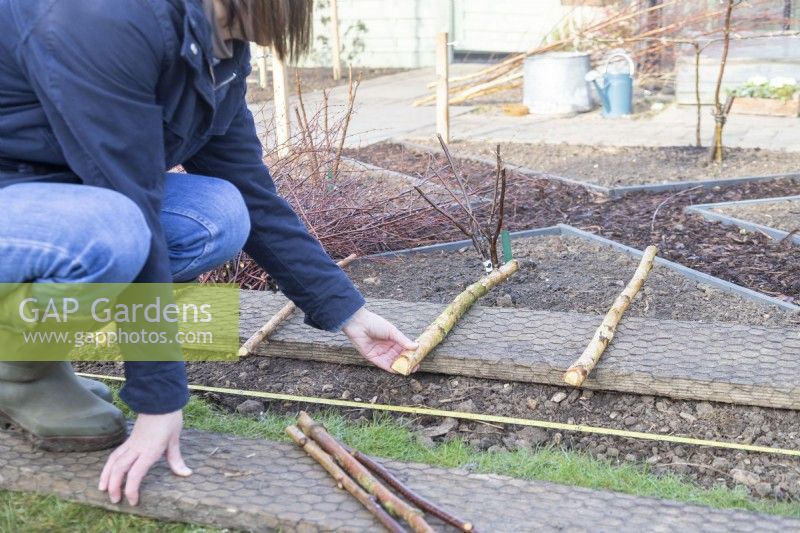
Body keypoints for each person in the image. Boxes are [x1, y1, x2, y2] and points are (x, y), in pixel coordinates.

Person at [0, 0, 417, 507]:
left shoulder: (217, 43)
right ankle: (19, 370)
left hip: (57, 190)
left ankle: (27, 344)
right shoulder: (101, 18)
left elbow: (253, 192)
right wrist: (159, 403)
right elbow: (133, 202)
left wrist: (344, 310)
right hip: (30, 198)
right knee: (113, 232)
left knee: (220, 214)